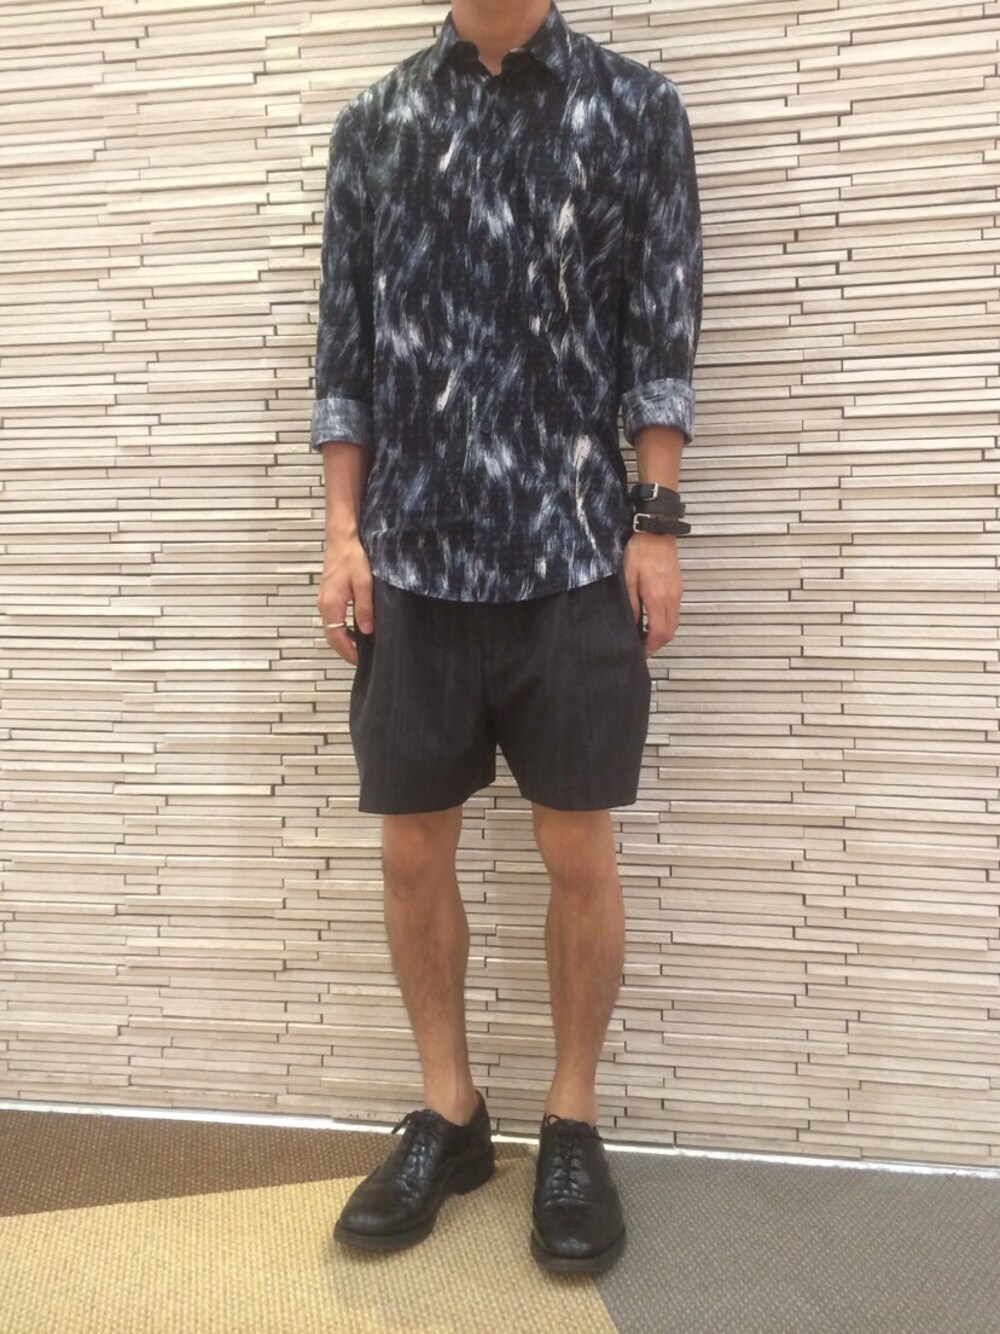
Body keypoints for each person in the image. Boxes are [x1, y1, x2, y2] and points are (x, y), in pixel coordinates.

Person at [310, 0, 702, 1275]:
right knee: (410, 849)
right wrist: (341, 531)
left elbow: (659, 330)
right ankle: (451, 1113)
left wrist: (655, 523)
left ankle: (571, 1120)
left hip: (576, 553)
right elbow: (345, 352)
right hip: (411, 560)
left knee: (575, 847)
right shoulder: (376, 123)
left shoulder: (634, 111)